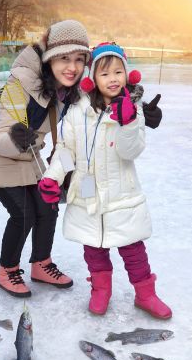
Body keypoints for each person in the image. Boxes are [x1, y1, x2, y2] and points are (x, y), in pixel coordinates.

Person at [38, 42, 172, 319]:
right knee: (93, 246)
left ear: (128, 75)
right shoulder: (76, 110)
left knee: (133, 249)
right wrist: (53, 177)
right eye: (105, 73)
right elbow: (66, 150)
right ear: (92, 78)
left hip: (122, 191)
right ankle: (101, 289)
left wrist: (128, 123)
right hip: (87, 187)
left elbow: (130, 151)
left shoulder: (133, 109)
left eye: (118, 72)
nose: (113, 79)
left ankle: (146, 294)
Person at [0, 20, 92, 298]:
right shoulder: (19, 82)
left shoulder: (68, 89)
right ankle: (7, 270)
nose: (71, 67)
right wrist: (15, 139)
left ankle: (41, 264)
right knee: (23, 213)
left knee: (47, 205)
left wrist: (134, 113)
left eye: (78, 59)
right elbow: (0, 139)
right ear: (49, 57)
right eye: (63, 58)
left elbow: (100, 106)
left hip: (28, 151)